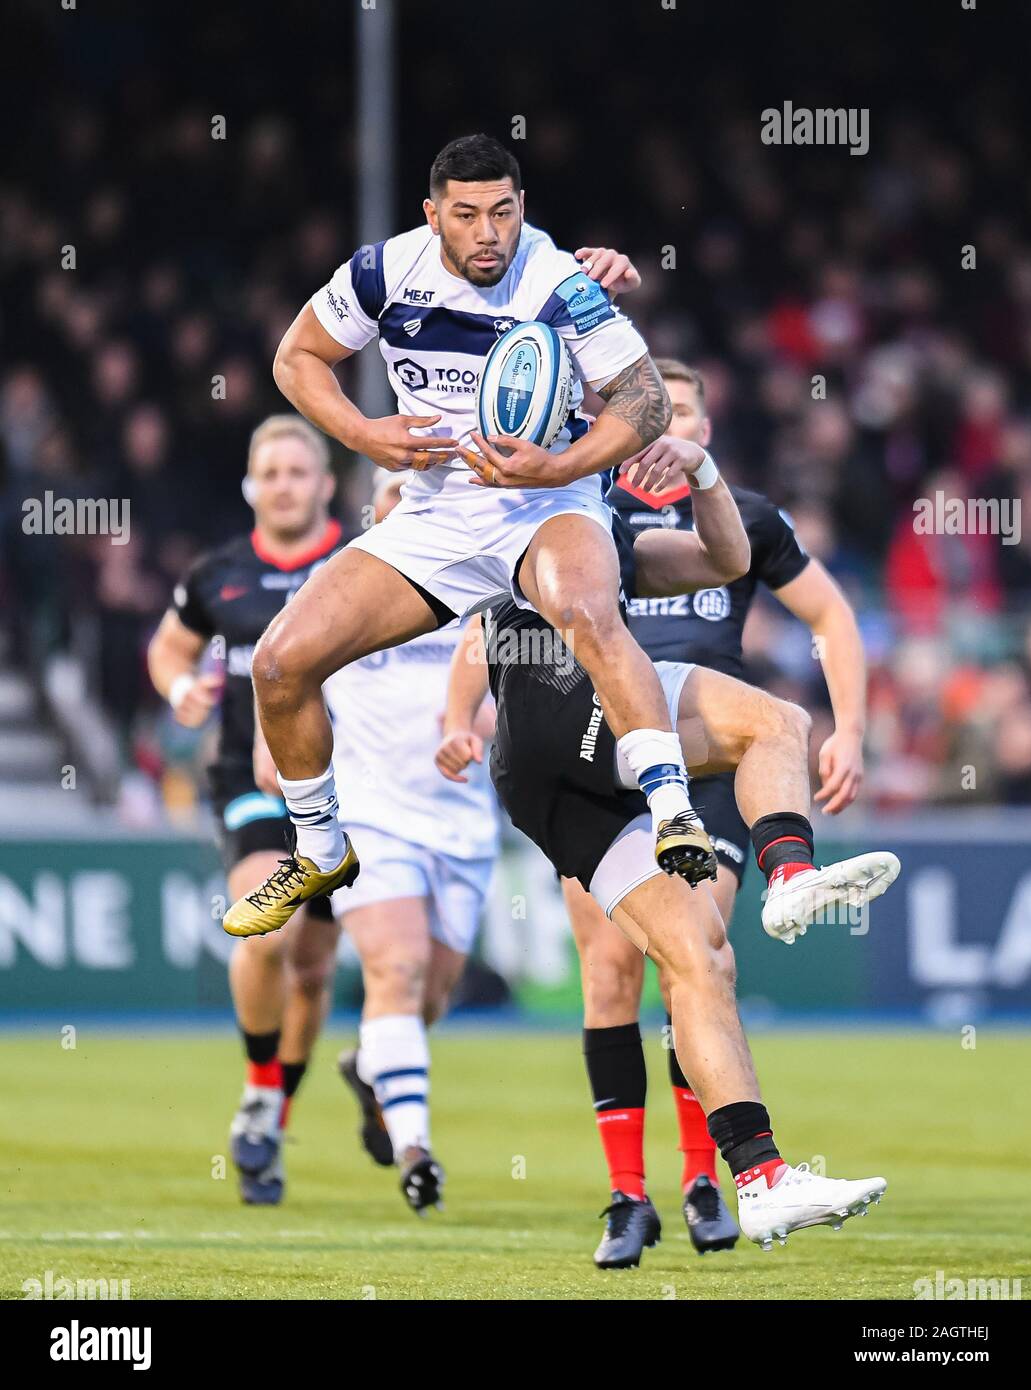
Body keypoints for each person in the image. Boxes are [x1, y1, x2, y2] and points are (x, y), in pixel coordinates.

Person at [221, 133, 715, 941]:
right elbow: (297, 356)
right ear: (433, 216)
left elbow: (644, 400)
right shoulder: (383, 272)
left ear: (521, 209)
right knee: (279, 664)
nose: (488, 232)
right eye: (467, 214)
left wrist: (562, 469)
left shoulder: (558, 281)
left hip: (542, 503)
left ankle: (672, 811)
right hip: (434, 512)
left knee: (586, 612)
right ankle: (318, 847)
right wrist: (363, 433)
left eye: (503, 212)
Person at [436, 439, 898, 1266]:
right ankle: (787, 875)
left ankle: (754, 1180)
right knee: (779, 723)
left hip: (551, 779)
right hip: (582, 716)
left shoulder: (602, 525)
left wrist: (706, 472)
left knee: (700, 960)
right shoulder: (531, 507)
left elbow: (725, 557)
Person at [562, 357, 874, 1260]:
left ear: (703, 429)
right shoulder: (585, 516)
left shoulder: (742, 520)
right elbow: (492, 628)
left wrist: (847, 727)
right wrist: (460, 716)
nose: (670, 428)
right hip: (597, 747)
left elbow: (833, 618)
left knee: (697, 955)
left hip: (707, 752)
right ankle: (628, 1195)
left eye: (686, 414)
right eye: (657, 414)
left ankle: (706, 1174)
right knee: (609, 975)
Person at [147, 415, 343, 1204]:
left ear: (326, 484)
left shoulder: (360, 565)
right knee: (268, 924)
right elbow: (170, 646)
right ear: (250, 486)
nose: (284, 484)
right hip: (250, 784)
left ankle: (269, 1112)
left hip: (351, 787)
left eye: (298, 471)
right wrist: (179, 687)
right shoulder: (216, 574)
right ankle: (261, 1091)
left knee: (315, 970)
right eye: (271, 472)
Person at [325, 472, 500, 1214]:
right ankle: (415, 1153)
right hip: (369, 814)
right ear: (375, 506)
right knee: (395, 969)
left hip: (462, 823)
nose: (409, 504)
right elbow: (284, 670)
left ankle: (373, 1068)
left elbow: (526, 685)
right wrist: (277, 746)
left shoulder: (490, 585)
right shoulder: (338, 587)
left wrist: (489, 722)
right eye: (395, 492)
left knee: (428, 996)